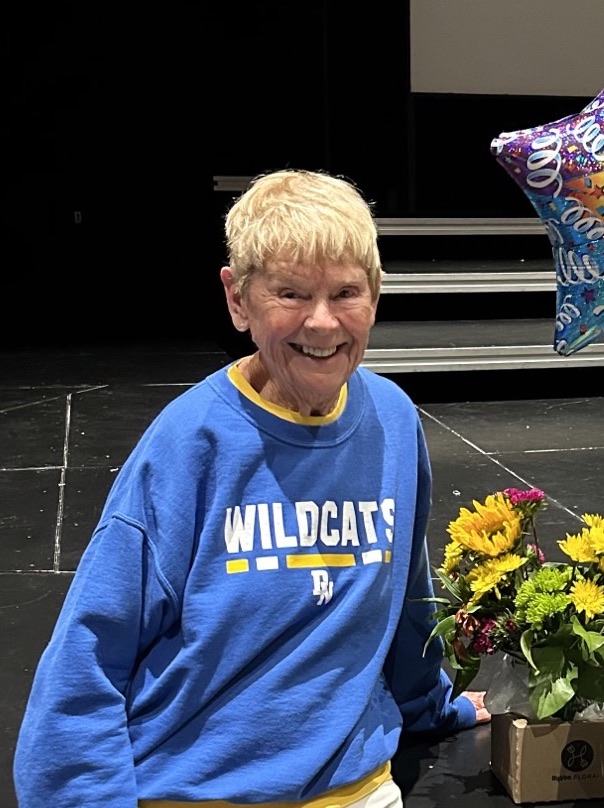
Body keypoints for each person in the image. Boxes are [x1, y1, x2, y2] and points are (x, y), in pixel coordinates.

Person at [14, 168, 489, 807]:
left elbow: (405, 598)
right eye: (289, 293)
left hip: (355, 789)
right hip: (197, 791)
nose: (322, 324)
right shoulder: (189, 443)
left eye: (346, 292)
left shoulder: (394, 421)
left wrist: (436, 706)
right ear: (237, 299)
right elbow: (87, 657)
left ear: (375, 295)